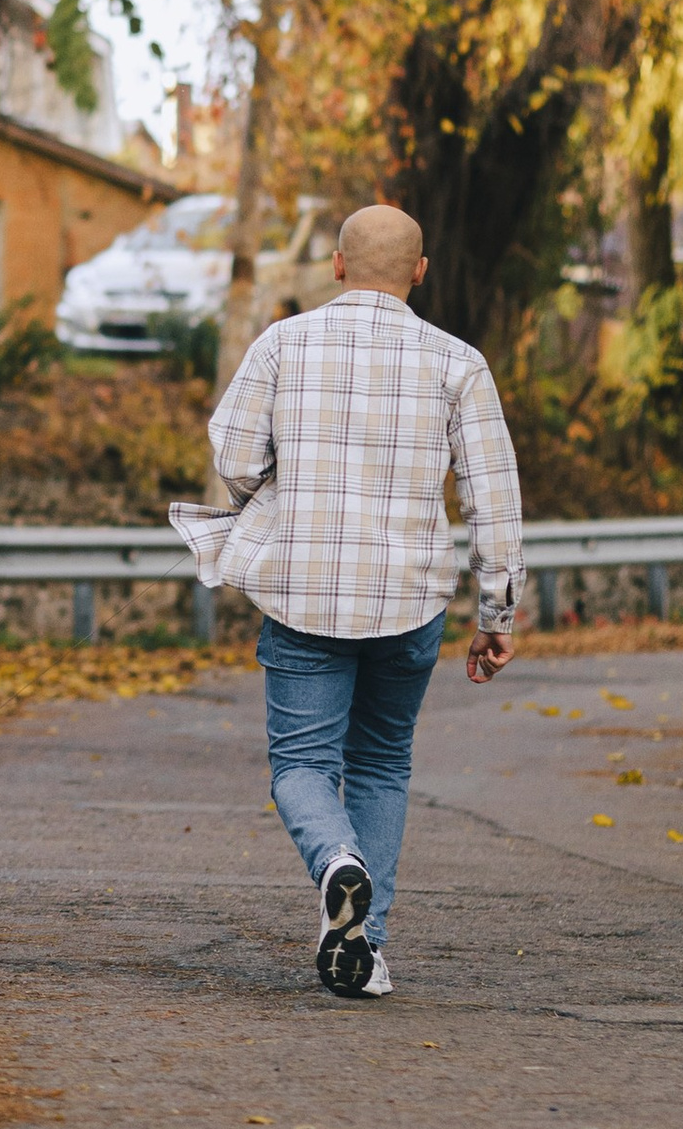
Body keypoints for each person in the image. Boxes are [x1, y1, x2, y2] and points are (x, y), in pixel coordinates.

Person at [172, 202, 522, 997]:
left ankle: (337, 863)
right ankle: (370, 947)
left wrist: (275, 494)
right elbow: (493, 497)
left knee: (301, 762)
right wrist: (495, 614)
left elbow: (232, 453)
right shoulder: (456, 362)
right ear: (419, 273)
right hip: (411, 601)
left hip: (303, 589)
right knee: (381, 764)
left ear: (335, 264)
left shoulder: (283, 343)